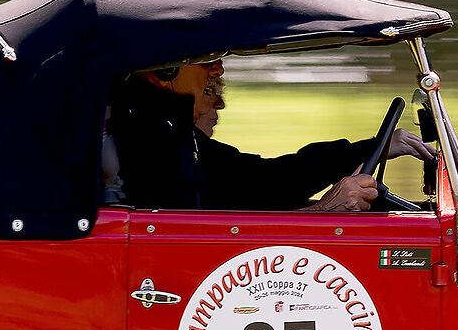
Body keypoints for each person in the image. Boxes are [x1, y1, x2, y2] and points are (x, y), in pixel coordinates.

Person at [105, 57, 432, 213]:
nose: (218, 69)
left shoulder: (170, 129)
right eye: (207, 60)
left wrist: (368, 149)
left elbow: (264, 179)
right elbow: (186, 241)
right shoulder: (143, 137)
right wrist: (320, 214)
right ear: (163, 71)